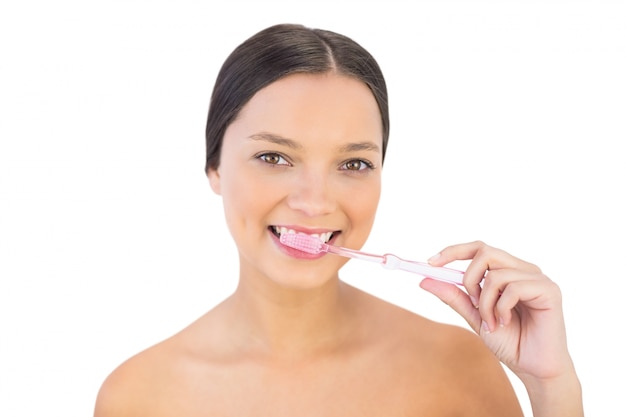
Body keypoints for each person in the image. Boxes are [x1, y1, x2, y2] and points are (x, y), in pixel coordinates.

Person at [94, 23, 583, 416]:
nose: (314, 202)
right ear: (215, 166)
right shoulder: (138, 398)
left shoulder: (460, 369)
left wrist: (551, 385)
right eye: (274, 157)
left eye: (353, 164)